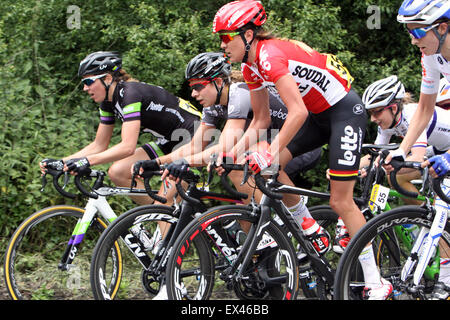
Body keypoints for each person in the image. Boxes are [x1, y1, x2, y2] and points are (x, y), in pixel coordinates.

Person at [211, 0, 392, 299]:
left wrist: (269, 150)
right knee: (267, 166)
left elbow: (297, 113)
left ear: (248, 34)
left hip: (343, 112)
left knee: (340, 200)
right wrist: (230, 152)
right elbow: (262, 119)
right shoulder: (250, 65)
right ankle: (309, 226)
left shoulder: (269, 56)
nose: (222, 45)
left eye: (227, 37)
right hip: (318, 118)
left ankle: (376, 281)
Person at [136, 51, 322, 300]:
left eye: (199, 86)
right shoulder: (213, 107)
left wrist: (184, 162)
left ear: (219, 81)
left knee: (241, 159)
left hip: (299, 143)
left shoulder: (241, 92)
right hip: (265, 144)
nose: (193, 94)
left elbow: (223, 148)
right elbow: (195, 146)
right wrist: (157, 162)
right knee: (241, 170)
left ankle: (303, 218)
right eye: (192, 88)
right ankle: (263, 250)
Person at [40, 51, 202, 208]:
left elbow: (127, 147)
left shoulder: (130, 94)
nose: (84, 88)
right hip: (169, 140)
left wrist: (86, 161)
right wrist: (63, 163)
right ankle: (161, 216)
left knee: (164, 203)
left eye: (88, 82)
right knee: (118, 172)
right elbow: (99, 145)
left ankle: (164, 214)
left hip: (194, 137)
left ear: (108, 78)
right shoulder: (107, 102)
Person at [390, 1, 450, 299]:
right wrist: (402, 148)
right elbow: (424, 110)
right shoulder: (432, 56)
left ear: (442, 27)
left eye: (417, 31)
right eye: (409, 32)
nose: (413, 40)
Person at [361, 75, 449, 205]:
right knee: (397, 177)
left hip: (447, 153)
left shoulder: (412, 115)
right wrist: (343, 169)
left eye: (376, 112)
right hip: (440, 150)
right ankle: (422, 218)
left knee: (442, 206)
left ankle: (436, 219)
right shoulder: (388, 123)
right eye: (370, 113)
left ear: (394, 108)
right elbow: (374, 155)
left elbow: (417, 158)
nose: (373, 119)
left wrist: (383, 167)